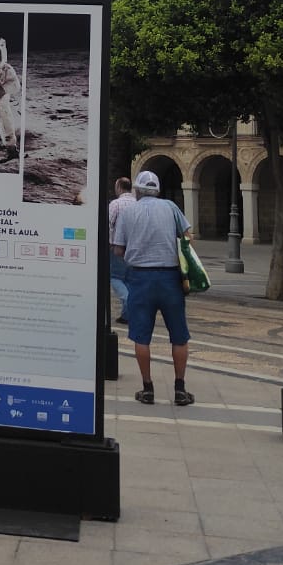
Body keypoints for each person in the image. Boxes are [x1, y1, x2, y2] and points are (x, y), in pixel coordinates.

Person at [112, 170, 194, 406]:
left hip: (140, 279)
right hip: (170, 279)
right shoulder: (171, 207)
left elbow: (118, 249)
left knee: (141, 336)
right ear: (157, 190)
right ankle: (180, 389)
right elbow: (188, 238)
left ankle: (147, 388)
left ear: (137, 190)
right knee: (179, 336)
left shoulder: (128, 212)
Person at [106, 177, 135, 324]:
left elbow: (108, 224)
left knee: (115, 277)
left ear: (119, 187)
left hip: (118, 248)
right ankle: (127, 315)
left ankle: (129, 304)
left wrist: (108, 243)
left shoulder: (116, 204)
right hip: (135, 249)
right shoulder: (138, 203)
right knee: (128, 279)